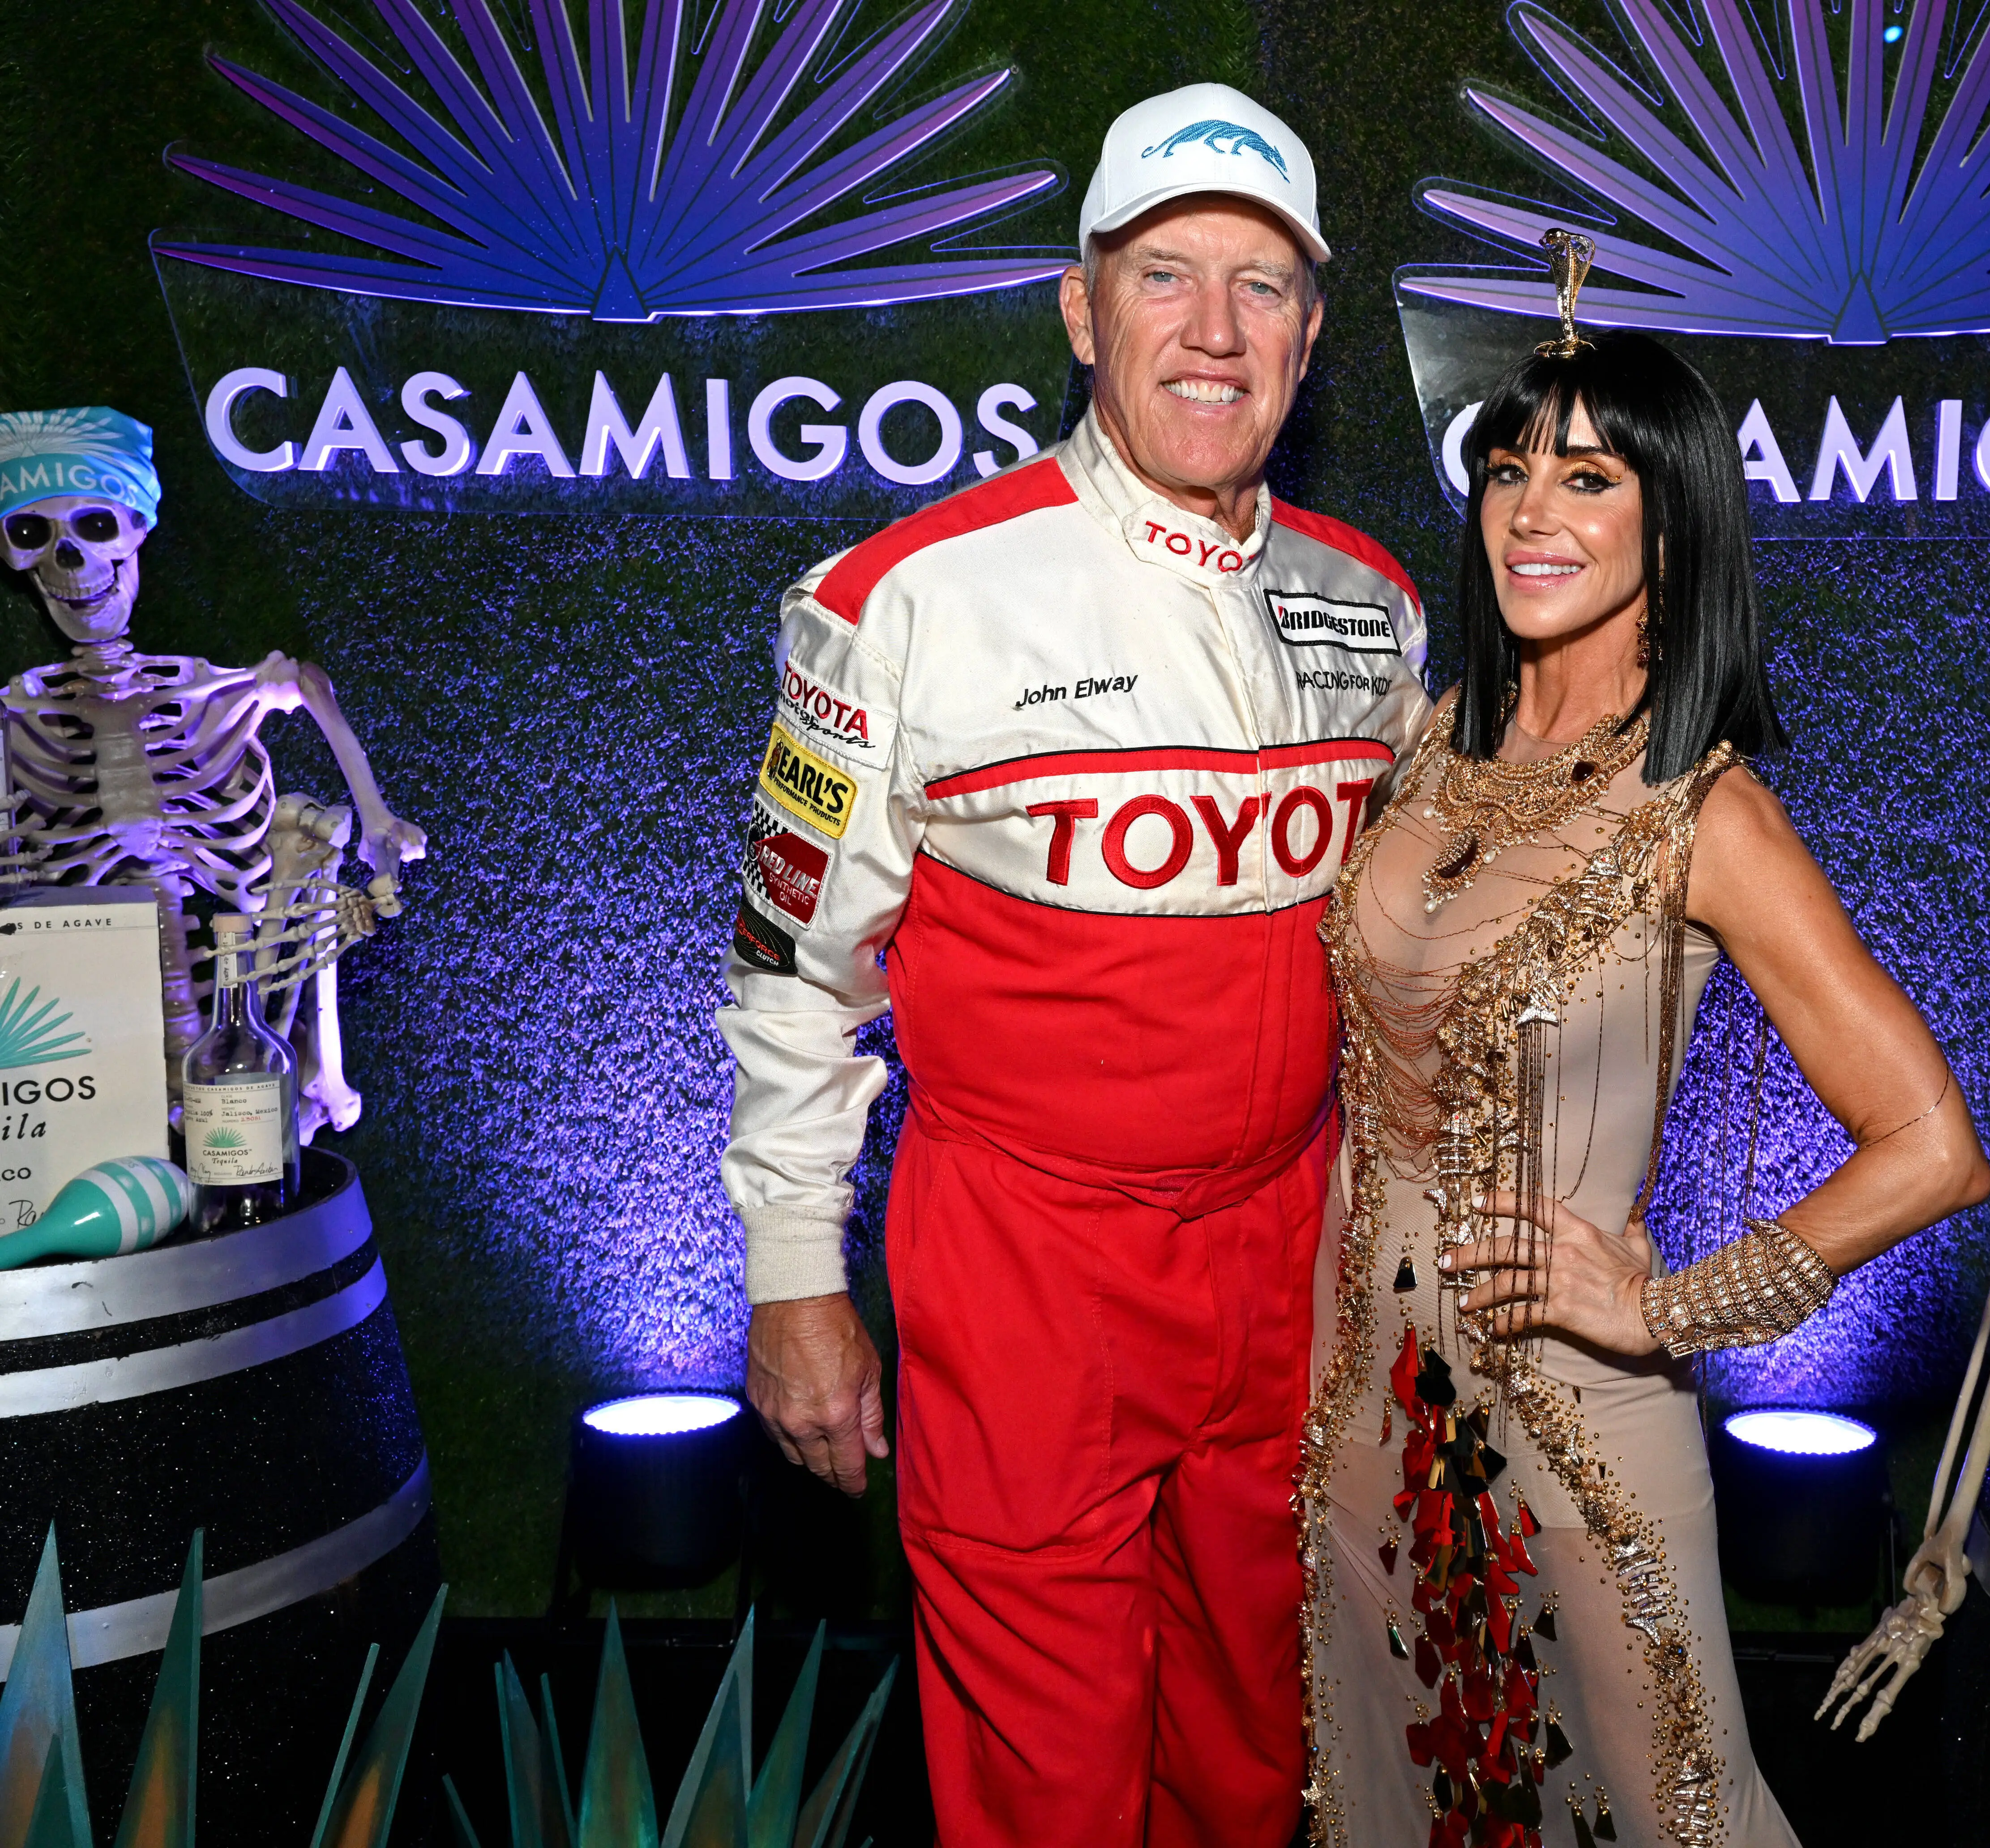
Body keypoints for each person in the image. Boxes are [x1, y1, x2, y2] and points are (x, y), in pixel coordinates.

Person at [719, 83, 1430, 1848]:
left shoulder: (1376, 604)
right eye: (1165, 275)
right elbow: (795, 972)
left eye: (1261, 286)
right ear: (1080, 307)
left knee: (1264, 1745)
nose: (1212, 330)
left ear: (1313, 331)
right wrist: (796, 1281)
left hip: (1289, 1254)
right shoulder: (896, 601)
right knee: (1047, 1774)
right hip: (1027, 1266)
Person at [1298, 328, 1990, 1847]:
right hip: (1353, 1400)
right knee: (1398, 1790)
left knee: (1665, 1809)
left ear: (1671, 521)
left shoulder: (1706, 810)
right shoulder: (1424, 752)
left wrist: (1669, 1311)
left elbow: (1934, 1146)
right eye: (1507, 469)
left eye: (1589, 478)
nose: (1530, 512)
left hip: (1575, 1423)